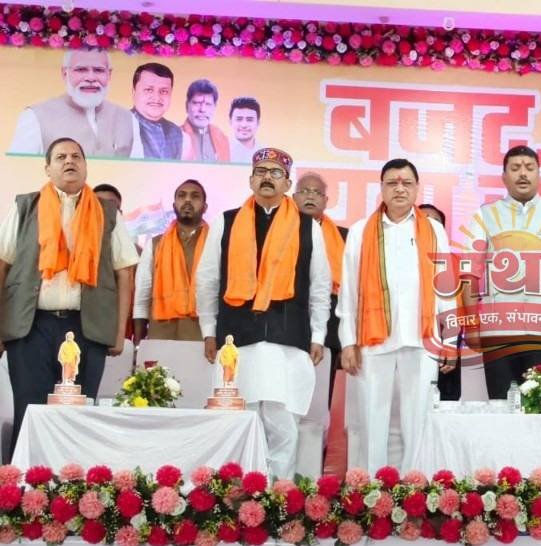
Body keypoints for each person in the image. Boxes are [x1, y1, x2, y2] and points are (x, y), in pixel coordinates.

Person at [196, 147, 331, 479]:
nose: (267, 178)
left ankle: (278, 496)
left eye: (275, 173)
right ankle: (240, 493)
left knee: (283, 426)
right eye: (261, 171)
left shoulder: (307, 226)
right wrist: (208, 331)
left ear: (287, 184)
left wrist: (318, 334)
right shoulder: (227, 222)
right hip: (237, 340)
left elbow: (319, 284)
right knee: (239, 421)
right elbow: (208, 279)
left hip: (288, 342)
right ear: (250, 180)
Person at [0, 137, 138, 449]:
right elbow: (3, 265)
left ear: (86, 167)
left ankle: (73, 479)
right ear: (47, 169)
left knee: (79, 415)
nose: (69, 161)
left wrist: (119, 333)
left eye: (76, 156)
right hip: (30, 327)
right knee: (31, 410)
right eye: (60, 157)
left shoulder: (107, 212)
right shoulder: (25, 207)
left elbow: (124, 273)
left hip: (87, 328)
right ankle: (25, 479)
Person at [338, 159, 454, 472]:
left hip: (423, 338)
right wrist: (347, 341)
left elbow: (445, 285)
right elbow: (349, 289)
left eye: (406, 183)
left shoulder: (434, 230)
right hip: (373, 339)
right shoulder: (361, 231)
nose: (399, 189)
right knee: (371, 419)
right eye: (392, 183)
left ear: (417, 188)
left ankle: (414, 487)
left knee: (417, 420)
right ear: (382, 188)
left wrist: (450, 339)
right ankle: (374, 489)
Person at [459, 145, 541, 399]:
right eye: (515, 168)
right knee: (501, 405)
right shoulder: (484, 215)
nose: (523, 174)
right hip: (498, 332)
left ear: (539, 175)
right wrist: (471, 326)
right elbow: (469, 274)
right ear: (504, 177)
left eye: (529, 168)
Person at [9, 49, 134, 157]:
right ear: (65, 74)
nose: (90, 78)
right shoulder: (35, 116)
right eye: (81, 69)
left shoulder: (127, 118)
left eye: (98, 70)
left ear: (109, 74)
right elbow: (19, 167)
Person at [293, 171, 347, 404]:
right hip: (288, 321)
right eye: (304, 191)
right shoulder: (280, 231)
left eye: (316, 192)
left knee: (321, 397)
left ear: (326, 200)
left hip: (330, 325)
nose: (310, 196)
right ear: (294, 197)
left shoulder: (345, 237)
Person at [133, 179, 208, 342]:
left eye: (195, 196)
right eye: (182, 196)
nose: (187, 200)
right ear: (174, 206)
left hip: (202, 338)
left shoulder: (215, 243)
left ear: (205, 207)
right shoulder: (155, 244)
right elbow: (142, 296)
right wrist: (138, 341)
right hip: (160, 336)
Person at [419, 203, 463, 401]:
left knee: (446, 394)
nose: (429, 224)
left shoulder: (456, 261)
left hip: (447, 330)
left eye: (435, 221)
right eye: (424, 219)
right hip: (416, 331)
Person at [129, 62, 183, 160]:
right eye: (149, 90)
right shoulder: (120, 126)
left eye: (164, 91)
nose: (156, 98)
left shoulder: (175, 132)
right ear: (134, 92)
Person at [180, 79, 230, 163]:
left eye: (208, 104)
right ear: (186, 106)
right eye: (196, 103)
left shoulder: (222, 138)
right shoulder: (175, 137)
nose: (202, 110)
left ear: (214, 107)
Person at [228, 97, 262, 163]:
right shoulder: (220, 151)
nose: (244, 125)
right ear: (230, 122)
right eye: (239, 119)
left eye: (249, 120)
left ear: (258, 123)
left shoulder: (265, 153)